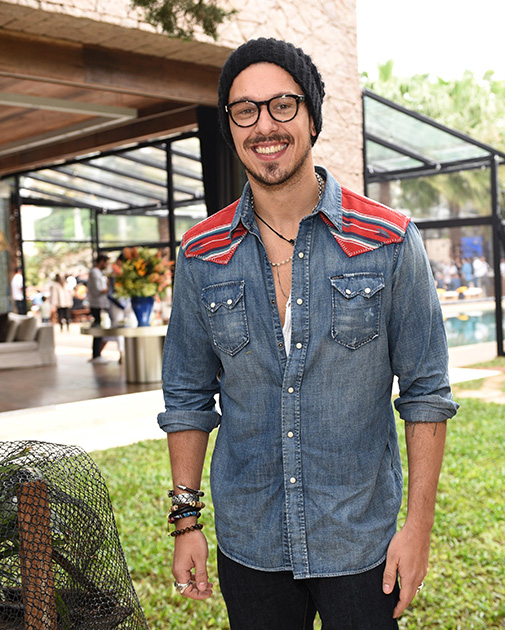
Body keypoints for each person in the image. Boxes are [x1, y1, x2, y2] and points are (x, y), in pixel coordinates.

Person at [158, 38, 458, 629]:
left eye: (282, 105)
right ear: (230, 126)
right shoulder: (201, 253)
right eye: (244, 110)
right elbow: (187, 395)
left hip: (360, 541)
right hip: (250, 542)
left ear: (312, 117)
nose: (264, 125)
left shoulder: (389, 240)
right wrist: (186, 522)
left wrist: (418, 527)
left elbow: (426, 391)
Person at [86, 253, 109, 363]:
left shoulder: (98, 273)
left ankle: (97, 354)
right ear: (101, 262)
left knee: (100, 328)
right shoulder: (94, 273)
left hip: (99, 303)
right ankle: (96, 355)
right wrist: (109, 287)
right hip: (96, 304)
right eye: (106, 263)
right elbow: (97, 290)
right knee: (98, 329)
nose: (107, 266)